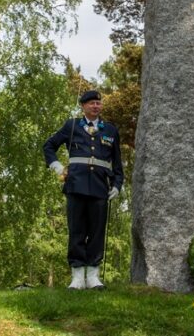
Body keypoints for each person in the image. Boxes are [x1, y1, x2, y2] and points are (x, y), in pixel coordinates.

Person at [43, 90, 124, 289]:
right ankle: (77, 276)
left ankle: (93, 276)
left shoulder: (110, 131)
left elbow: (117, 164)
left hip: (99, 187)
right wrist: (58, 168)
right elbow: (49, 146)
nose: (96, 106)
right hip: (76, 186)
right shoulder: (72, 126)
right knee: (77, 231)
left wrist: (117, 185)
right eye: (92, 103)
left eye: (98, 103)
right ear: (83, 106)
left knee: (97, 232)